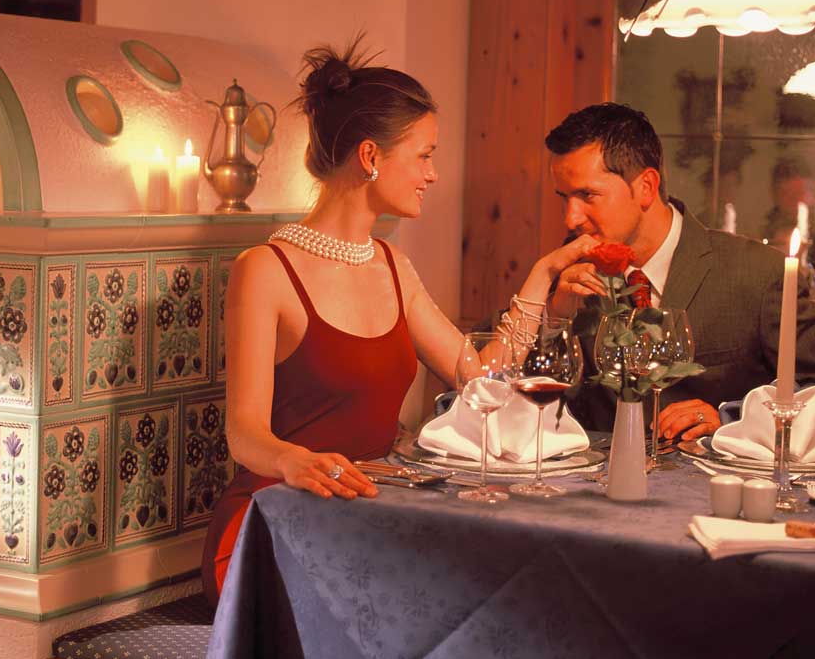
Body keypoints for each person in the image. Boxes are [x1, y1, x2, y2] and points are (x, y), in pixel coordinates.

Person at [202, 40, 598, 604]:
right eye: (424, 155)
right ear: (371, 157)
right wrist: (296, 460)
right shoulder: (264, 270)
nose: (433, 174)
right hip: (273, 522)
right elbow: (244, 434)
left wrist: (542, 277)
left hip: (368, 513)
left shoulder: (394, 266)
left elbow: (479, 377)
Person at [545, 103, 815, 439]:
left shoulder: (757, 274)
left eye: (587, 195)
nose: (570, 218)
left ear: (646, 186)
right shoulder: (571, 270)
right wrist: (553, 316)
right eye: (564, 198)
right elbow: (518, 381)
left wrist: (734, 419)